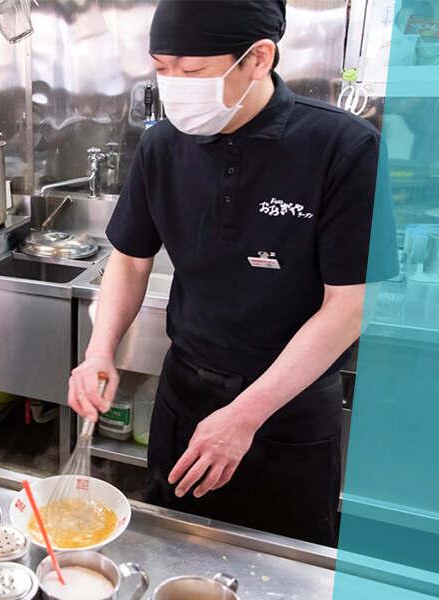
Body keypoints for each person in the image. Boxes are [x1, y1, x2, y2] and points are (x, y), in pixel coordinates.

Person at [68, 0, 396, 546]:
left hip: (286, 411)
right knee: (173, 546)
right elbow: (129, 259)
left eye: (192, 70)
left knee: (281, 563)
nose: (174, 86)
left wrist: (245, 416)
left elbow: (351, 305)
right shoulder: (162, 144)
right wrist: (99, 350)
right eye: (162, 68)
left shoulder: (343, 147)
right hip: (185, 393)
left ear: (259, 58)